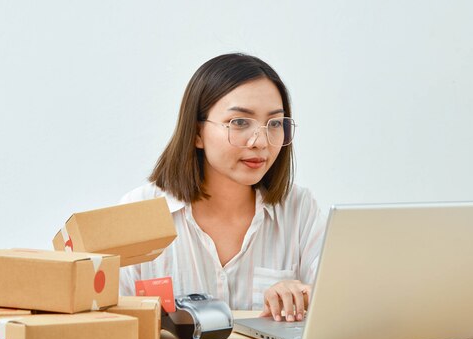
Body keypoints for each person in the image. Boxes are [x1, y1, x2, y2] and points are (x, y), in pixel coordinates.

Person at [119, 53, 325, 322]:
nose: (260, 141)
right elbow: (107, 320)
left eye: (274, 124)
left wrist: (304, 293)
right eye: (239, 122)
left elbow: (343, 298)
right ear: (196, 133)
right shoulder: (138, 213)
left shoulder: (299, 208)